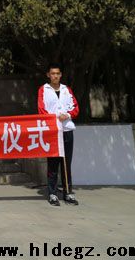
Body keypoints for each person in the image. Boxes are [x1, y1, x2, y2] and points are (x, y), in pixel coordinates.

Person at [38, 62, 79, 206]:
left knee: (66, 163)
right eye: (52, 74)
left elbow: (75, 108)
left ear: (60, 75)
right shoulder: (44, 89)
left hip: (67, 130)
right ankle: (53, 193)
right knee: (53, 163)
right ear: (48, 75)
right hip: (53, 132)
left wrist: (67, 115)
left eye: (57, 73)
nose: (55, 76)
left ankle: (68, 192)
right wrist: (55, 118)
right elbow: (41, 110)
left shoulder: (66, 90)